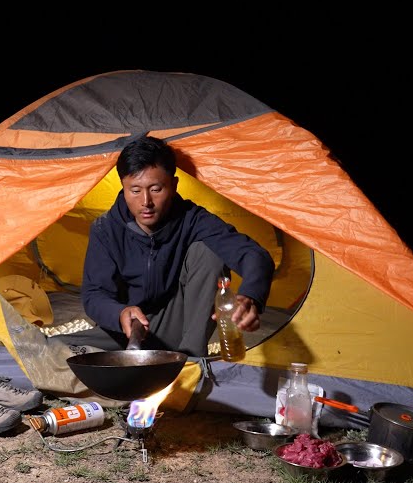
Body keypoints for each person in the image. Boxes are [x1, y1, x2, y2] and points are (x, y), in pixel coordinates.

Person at [65, 135, 275, 357]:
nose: (145, 202)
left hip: (176, 325)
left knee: (206, 251)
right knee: (55, 351)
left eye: (156, 189)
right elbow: (94, 295)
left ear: (173, 185)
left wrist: (250, 296)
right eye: (135, 190)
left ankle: (191, 360)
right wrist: (120, 314)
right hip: (129, 329)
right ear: (124, 187)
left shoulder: (192, 219)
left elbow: (253, 254)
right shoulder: (106, 229)